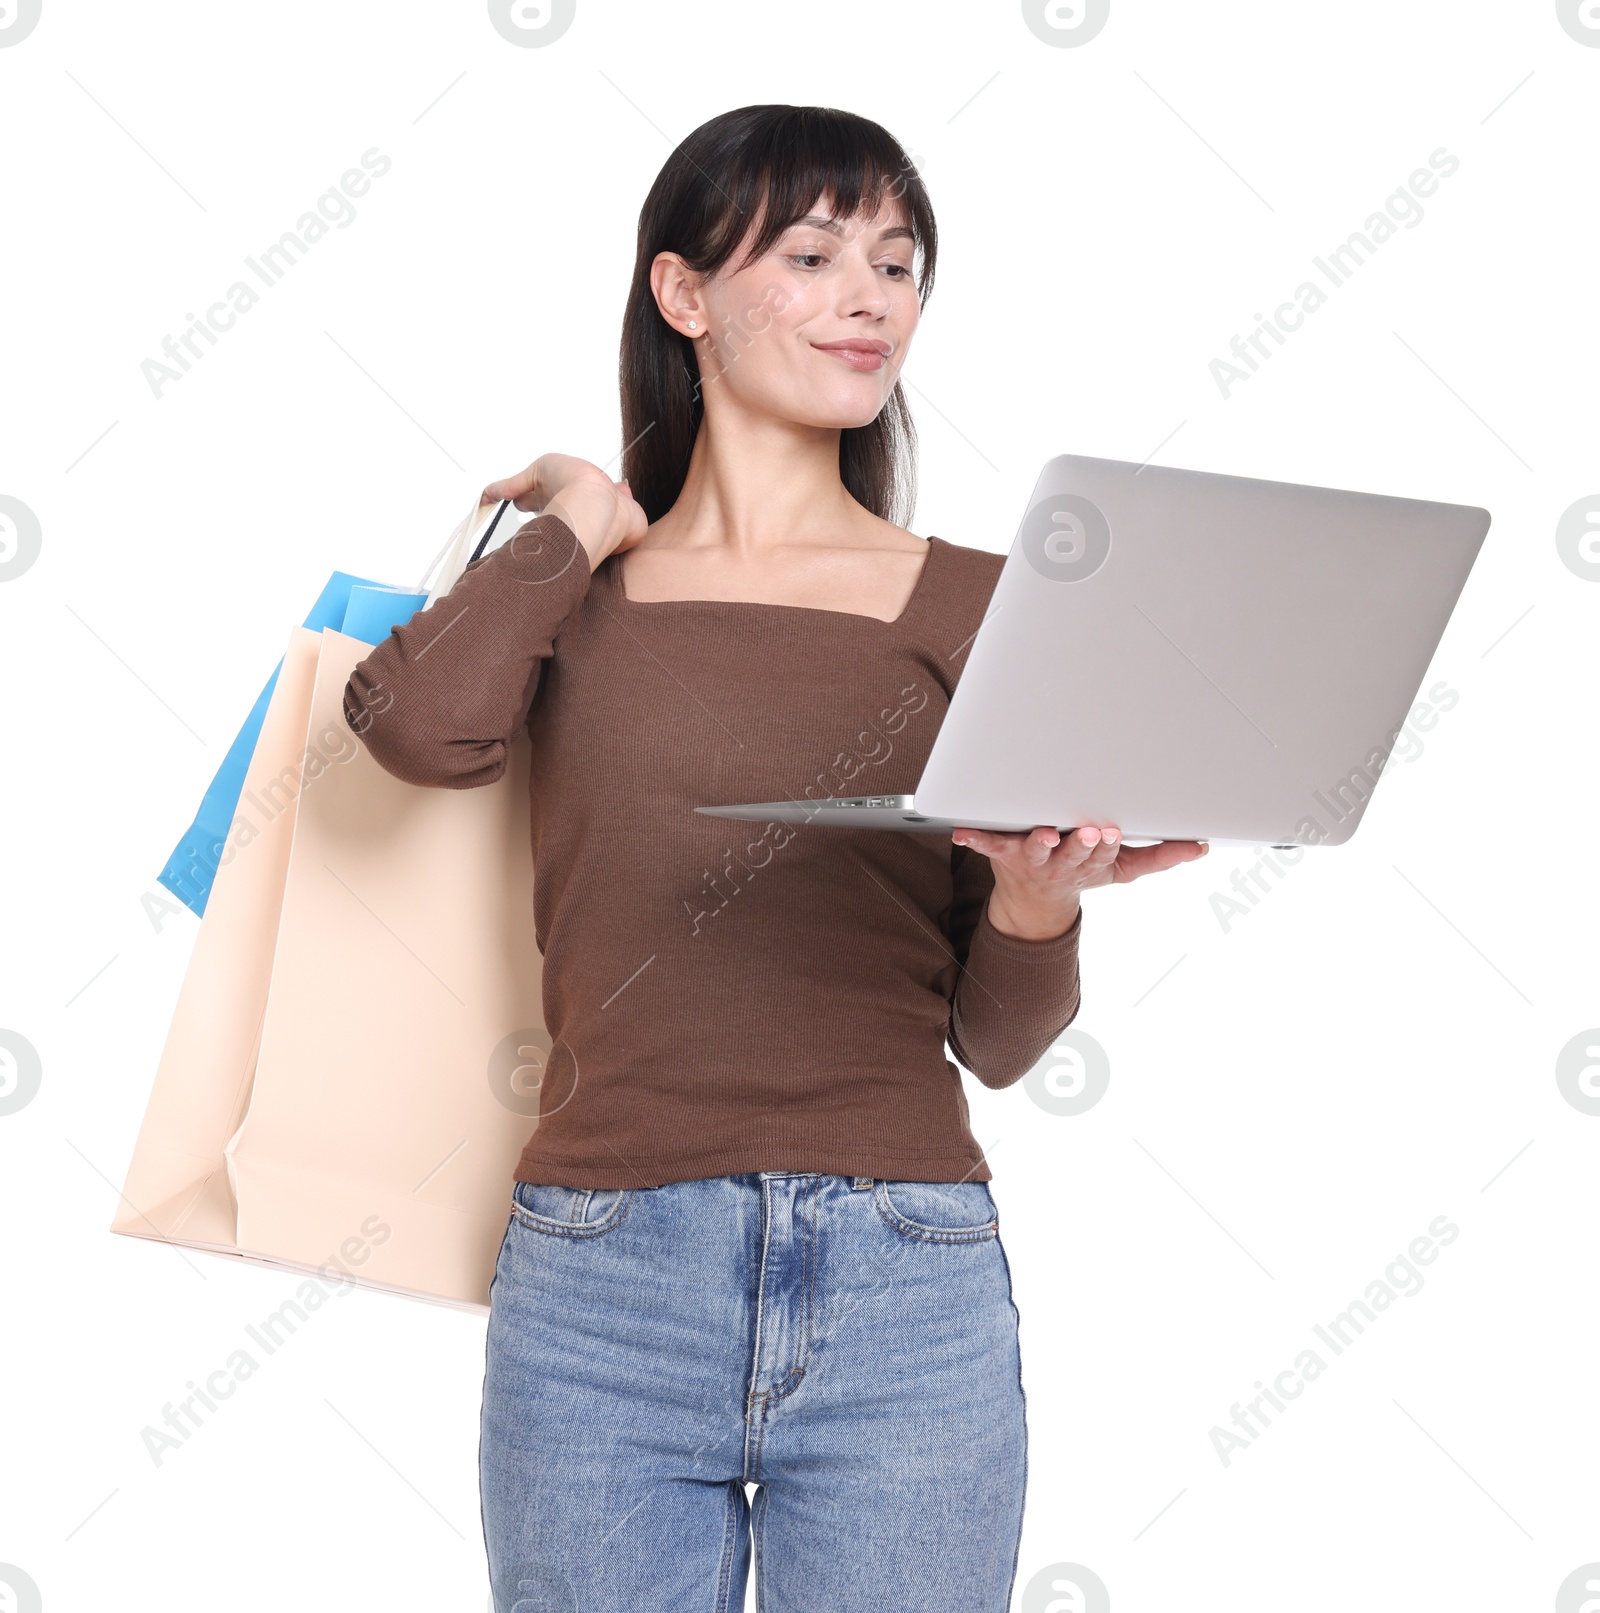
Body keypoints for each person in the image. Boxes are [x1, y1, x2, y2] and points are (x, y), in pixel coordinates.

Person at [343, 103, 1204, 1613]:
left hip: (906, 1273)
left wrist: (1034, 902)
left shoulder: (987, 604)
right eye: (813, 256)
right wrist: (580, 522)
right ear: (683, 294)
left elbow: (1000, 1043)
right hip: (602, 1279)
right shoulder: (580, 596)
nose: (871, 297)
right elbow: (412, 728)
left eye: (897, 261)